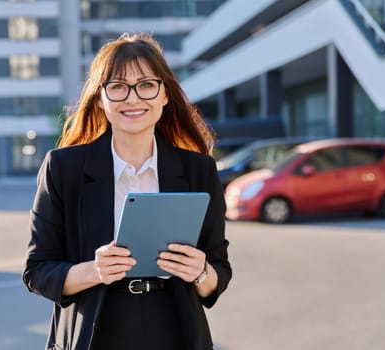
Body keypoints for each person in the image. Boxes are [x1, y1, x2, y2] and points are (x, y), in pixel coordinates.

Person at [22, 32, 232, 350]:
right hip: (94, 332)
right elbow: (37, 271)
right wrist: (95, 270)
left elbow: (219, 270)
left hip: (175, 329)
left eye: (146, 85)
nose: (132, 98)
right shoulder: (63, 168)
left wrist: (200, 272)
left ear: (164, 95)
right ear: (101, 98)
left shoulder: (198, 170)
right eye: (117, 87)